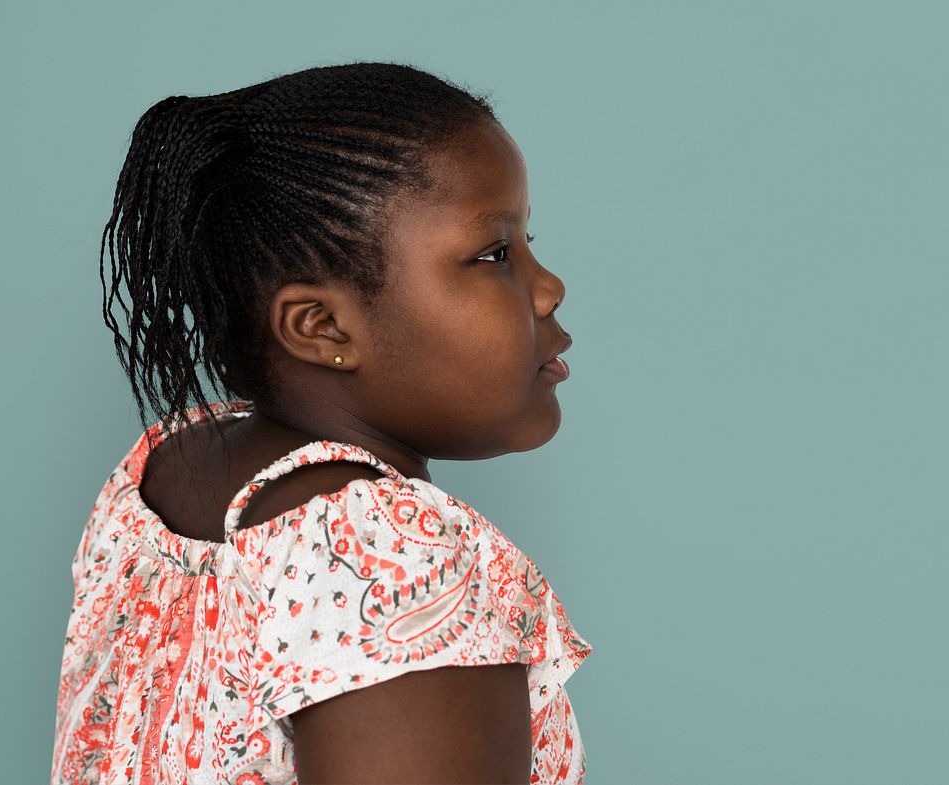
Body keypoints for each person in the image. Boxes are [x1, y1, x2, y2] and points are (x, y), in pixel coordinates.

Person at [51, 61, 592, 785]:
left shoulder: (167, 466)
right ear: (321, 326)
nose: (549, 288)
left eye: (525, 242)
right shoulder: (393, 560)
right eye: (494, 253)